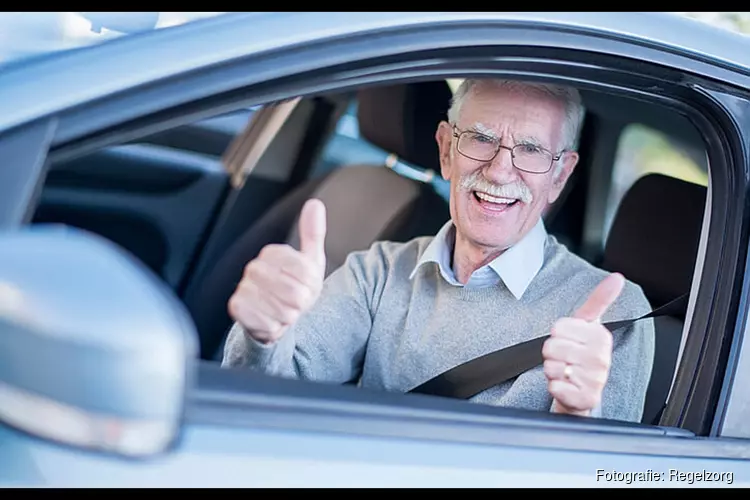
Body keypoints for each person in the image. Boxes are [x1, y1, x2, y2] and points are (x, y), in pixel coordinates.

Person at [222, 78, 655, 422]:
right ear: (447, 150)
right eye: (481, 139)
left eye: (531, 149)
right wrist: (264, 336)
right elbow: (265, 400)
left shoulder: (612, 316)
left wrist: (578, 417)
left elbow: (602, 474)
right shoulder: (380, 271)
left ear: (559, 176)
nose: (501, 170)